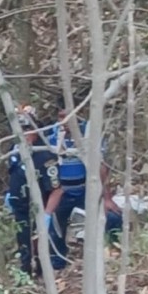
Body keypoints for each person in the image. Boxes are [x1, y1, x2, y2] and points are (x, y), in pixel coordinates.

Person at [43, 97, 123, 271]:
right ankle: (58, 262)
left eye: (68, 116)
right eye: (60, 116)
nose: (64, 121)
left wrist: (106, 197)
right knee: (53, 225)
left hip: (87, 189)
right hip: (61, 191)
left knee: (113, 217)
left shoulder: (90, 132)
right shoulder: (52, 135)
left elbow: (102, 166)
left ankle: (114, 251)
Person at [4, 105, 60, 277]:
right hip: (19, 208)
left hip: (39, 208)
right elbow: (13, 174)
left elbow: (57, 189)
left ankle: (43, 274)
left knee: (40, 245)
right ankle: (25, 272)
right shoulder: (15, 149)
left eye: (27, 129)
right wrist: (9, 195)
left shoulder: (45, 155)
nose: (24, 134)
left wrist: (47, 214)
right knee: (23, 244)